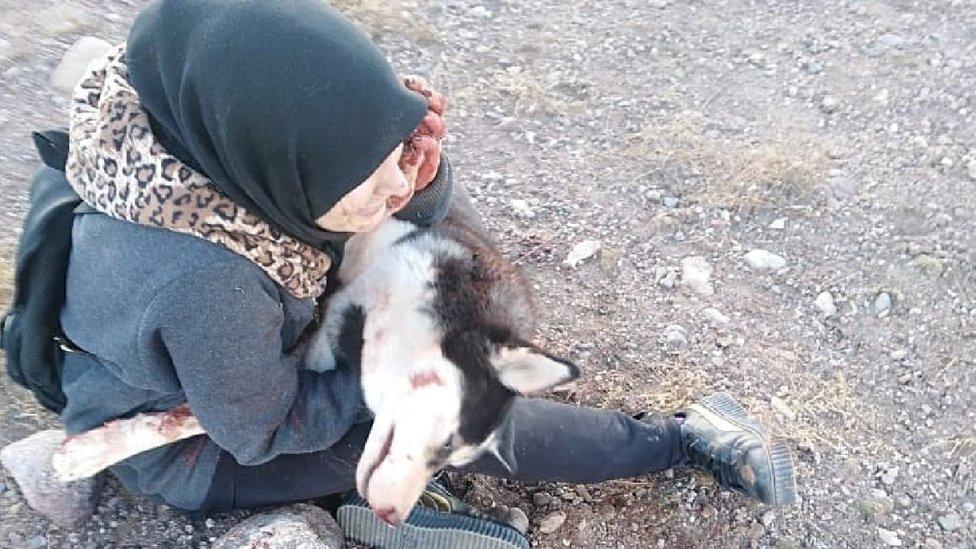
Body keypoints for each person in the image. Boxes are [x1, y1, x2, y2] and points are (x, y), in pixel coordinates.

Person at [48, 0, 795, 545]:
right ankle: (678, 441)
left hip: (253, 349)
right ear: (280, 174)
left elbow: (404, 204)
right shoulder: (203, 280)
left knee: (425, 239)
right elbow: (261, 428)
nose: (394, 186)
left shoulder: (219, 136)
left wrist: (418, 173)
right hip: (201, 448)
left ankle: (378, 488)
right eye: (370, 175)